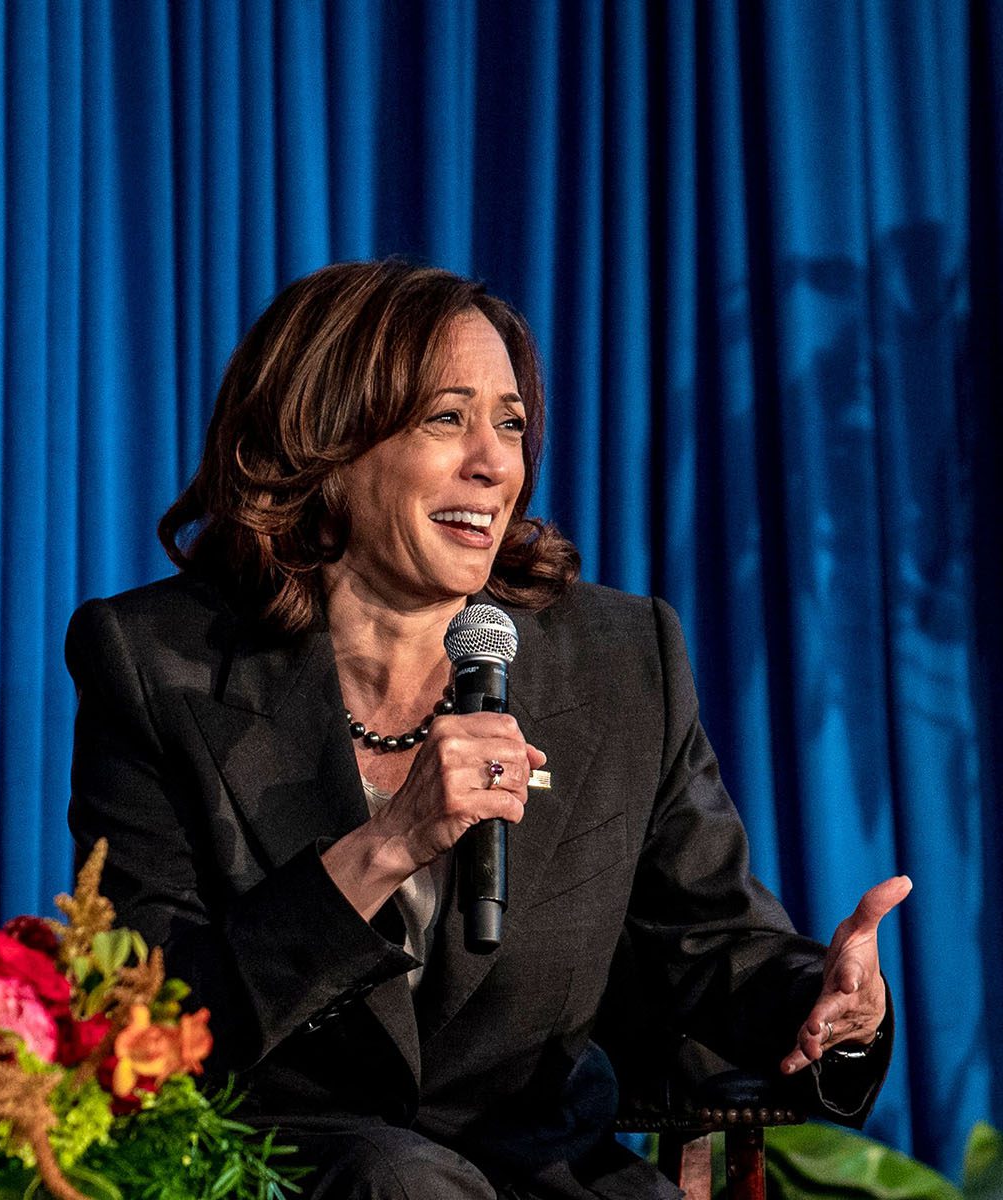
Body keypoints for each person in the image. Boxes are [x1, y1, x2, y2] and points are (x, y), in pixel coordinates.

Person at [65, 260, 908, 1199]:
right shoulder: (156, 661)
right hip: (286, 1167)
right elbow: (146, 1008)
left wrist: (827, 1001)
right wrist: (384, 847)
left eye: (509, 423)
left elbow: (709, 942)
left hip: (542, 1167)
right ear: (324, 442)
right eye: (445, 418)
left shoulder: (623, 659)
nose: (495, 462)